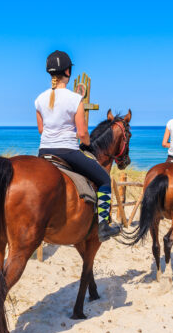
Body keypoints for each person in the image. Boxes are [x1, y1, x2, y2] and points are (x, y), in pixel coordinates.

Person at [35, 50, 120, 242]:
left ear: (50, 73)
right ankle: (103, 225)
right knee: (104, 180)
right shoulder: (75, 99)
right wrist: (87, 144)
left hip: (44, 152)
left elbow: (42, 130)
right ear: (68, 72)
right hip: (67, 152)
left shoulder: (39, 99)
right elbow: (82, 134)